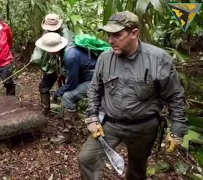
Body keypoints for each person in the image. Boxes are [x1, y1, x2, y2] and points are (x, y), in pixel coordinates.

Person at [78, 11, 187, 180]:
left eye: (117, 35)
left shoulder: (159, 60)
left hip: (143, 128)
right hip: (110, 124)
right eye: (109, 35)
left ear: (134, 33)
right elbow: (94, 88)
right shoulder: (105, 58)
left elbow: (175, 96)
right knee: (87, 158)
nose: (110, 40)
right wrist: (92, 116)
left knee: (137, 170)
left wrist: (177, 129)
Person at [35, 32, 98, 144]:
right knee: (68, 94)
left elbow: (72, 84)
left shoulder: (70, 56)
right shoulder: (68, 50)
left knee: (68, 97)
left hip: (95, 80)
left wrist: (59, 92)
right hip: (90, 77)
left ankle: (66, 134)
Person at [31, 13, 74, 116]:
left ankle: (67, 114)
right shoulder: (47, 32)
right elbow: (42, 48)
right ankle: (45, 112)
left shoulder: (66, 35)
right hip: (52, 65)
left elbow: (69, 55)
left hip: (65, 65)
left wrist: (64, 71)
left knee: (67, 90)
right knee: (44, 86)